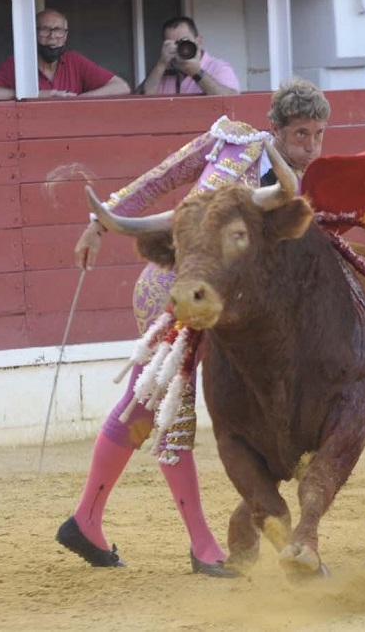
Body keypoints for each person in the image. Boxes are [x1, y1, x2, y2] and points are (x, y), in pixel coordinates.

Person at [56, 79, 330, 575]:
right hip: (173, 289)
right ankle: (203, 546)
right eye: (300, 134)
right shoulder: (235, 140)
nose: (310, 146)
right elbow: (162, 178)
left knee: (143, 403)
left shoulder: (297, 191)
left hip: (225, 307)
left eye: (318, 134)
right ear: (277, 129)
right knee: (171, 418)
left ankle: (86, 521)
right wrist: (100, 223)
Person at [0, 9, 130, 102]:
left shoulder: (74, 61)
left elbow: (122, 87)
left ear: (65, 36)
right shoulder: (17, 63)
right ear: (33, 34)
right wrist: (37, 95)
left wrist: (77, 100)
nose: (52, 37)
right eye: (45, 30)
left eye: (58, 30)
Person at [138, 16, 240, 96]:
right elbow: (140, 100)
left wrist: (196, 73)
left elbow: (230, 100)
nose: (181, 48)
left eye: (185, 42)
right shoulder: (162, 71)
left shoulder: (217, 67)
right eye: (174, 44)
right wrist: (161, 64)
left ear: (199, 41)